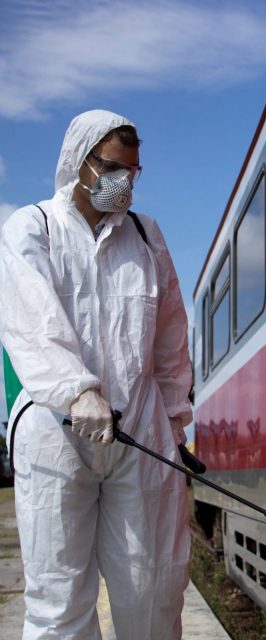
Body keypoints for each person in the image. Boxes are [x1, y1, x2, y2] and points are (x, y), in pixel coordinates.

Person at [0, 110, 192, 639]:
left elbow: (171, 337)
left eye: (132, 172)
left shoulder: (146, 236)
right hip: (56, 430)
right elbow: (31, 318)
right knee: (59, 594)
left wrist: (175, 420)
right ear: (79, 164)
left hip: (140, 432)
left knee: (151, 585)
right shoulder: (32, 227)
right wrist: (76, 389)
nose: (124, 182)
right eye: (112, 168)